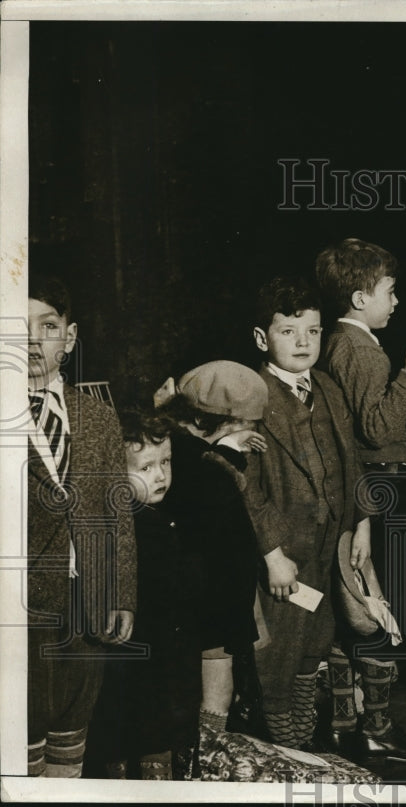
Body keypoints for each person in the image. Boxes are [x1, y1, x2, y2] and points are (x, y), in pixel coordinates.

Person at [244, 276, 406, 763]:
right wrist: (271, 554)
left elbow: (351, 461)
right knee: (280, 654)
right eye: (289, 332)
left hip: (334, 540)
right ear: (261, 339)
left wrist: (363, 522)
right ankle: (284, 753)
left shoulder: (326, 387)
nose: (303, 342)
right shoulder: (252, 396)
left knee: (324, 641)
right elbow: (246, 487)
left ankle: (323, 742)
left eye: (312, 331)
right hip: (285, 557)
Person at [25, 273, 137, 778]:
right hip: (19, 607)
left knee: (72, 735)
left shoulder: (96, 417)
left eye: (47, 326)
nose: (31, 340)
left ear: (68, 339)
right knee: (21, 735)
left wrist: (122, 593)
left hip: (86, 603)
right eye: (16, 327)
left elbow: (118, 514)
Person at [315, 239, 406, 645]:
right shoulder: (361, 351)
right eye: (390, 291)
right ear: (360, 298)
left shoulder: (342, 341)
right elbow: (378, 429)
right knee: (384, 581)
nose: (397, 301)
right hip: (379, 479)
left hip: (371, 479)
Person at [154, 360, 267, 734]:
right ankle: (207, 759)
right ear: (228, 423)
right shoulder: (205, 467)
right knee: (212, 705)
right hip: (212, 612)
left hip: (189, 609)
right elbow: (219, 525)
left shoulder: (173, 451)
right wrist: (229, 455)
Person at [89, 408, 201, 780]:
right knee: (123, 727)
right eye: (145, 467)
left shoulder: (165, 518)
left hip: (165, 654)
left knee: (158, 729)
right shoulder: (122, 525)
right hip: (130, 654)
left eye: (165, 462)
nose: (160, 475)